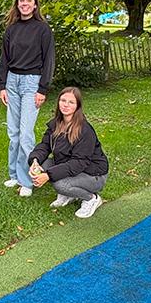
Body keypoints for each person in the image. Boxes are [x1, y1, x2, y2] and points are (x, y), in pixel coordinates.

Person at [0, 0, 56, 197]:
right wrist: (2, 85)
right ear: (17, 4)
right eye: (21, 0)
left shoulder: (42, 29)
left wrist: (43, 88)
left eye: (28, 0)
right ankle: (14, 174)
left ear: (35, 5)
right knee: (13, 133)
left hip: (32, 83)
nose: (24, 3)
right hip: (12, 81)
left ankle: (27, 181)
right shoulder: (11, 30)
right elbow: (4, 59)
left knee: (25, 134)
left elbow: (49, 59)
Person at [28, 87, 109, 218]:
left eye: (71, 102)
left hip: (93, 173)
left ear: (77, 106)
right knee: (43, 164)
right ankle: (69, 195)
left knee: (60, 184)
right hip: (70, 165)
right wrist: (35, 161)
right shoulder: (56, 124)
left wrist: (48, 175)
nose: (65, 105)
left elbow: (79, 162)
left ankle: (91, 199)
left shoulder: (84, 130)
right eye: (63, 100)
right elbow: (44, 145)